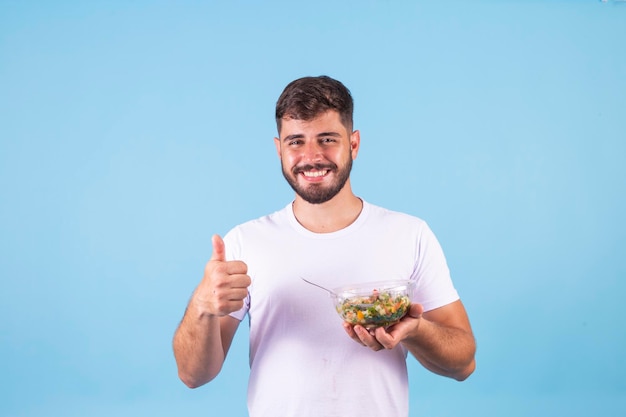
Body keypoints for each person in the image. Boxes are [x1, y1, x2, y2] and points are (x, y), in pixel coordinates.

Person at [173, 75, 476, 417]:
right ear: (279, 149)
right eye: (296, 142)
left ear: (354, 144)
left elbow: (463, 363)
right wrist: (201, 305)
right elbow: (192, 375)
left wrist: (415, 330)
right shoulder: (245, 242)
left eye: (327, 139)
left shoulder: (409, 234)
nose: (311, 156)